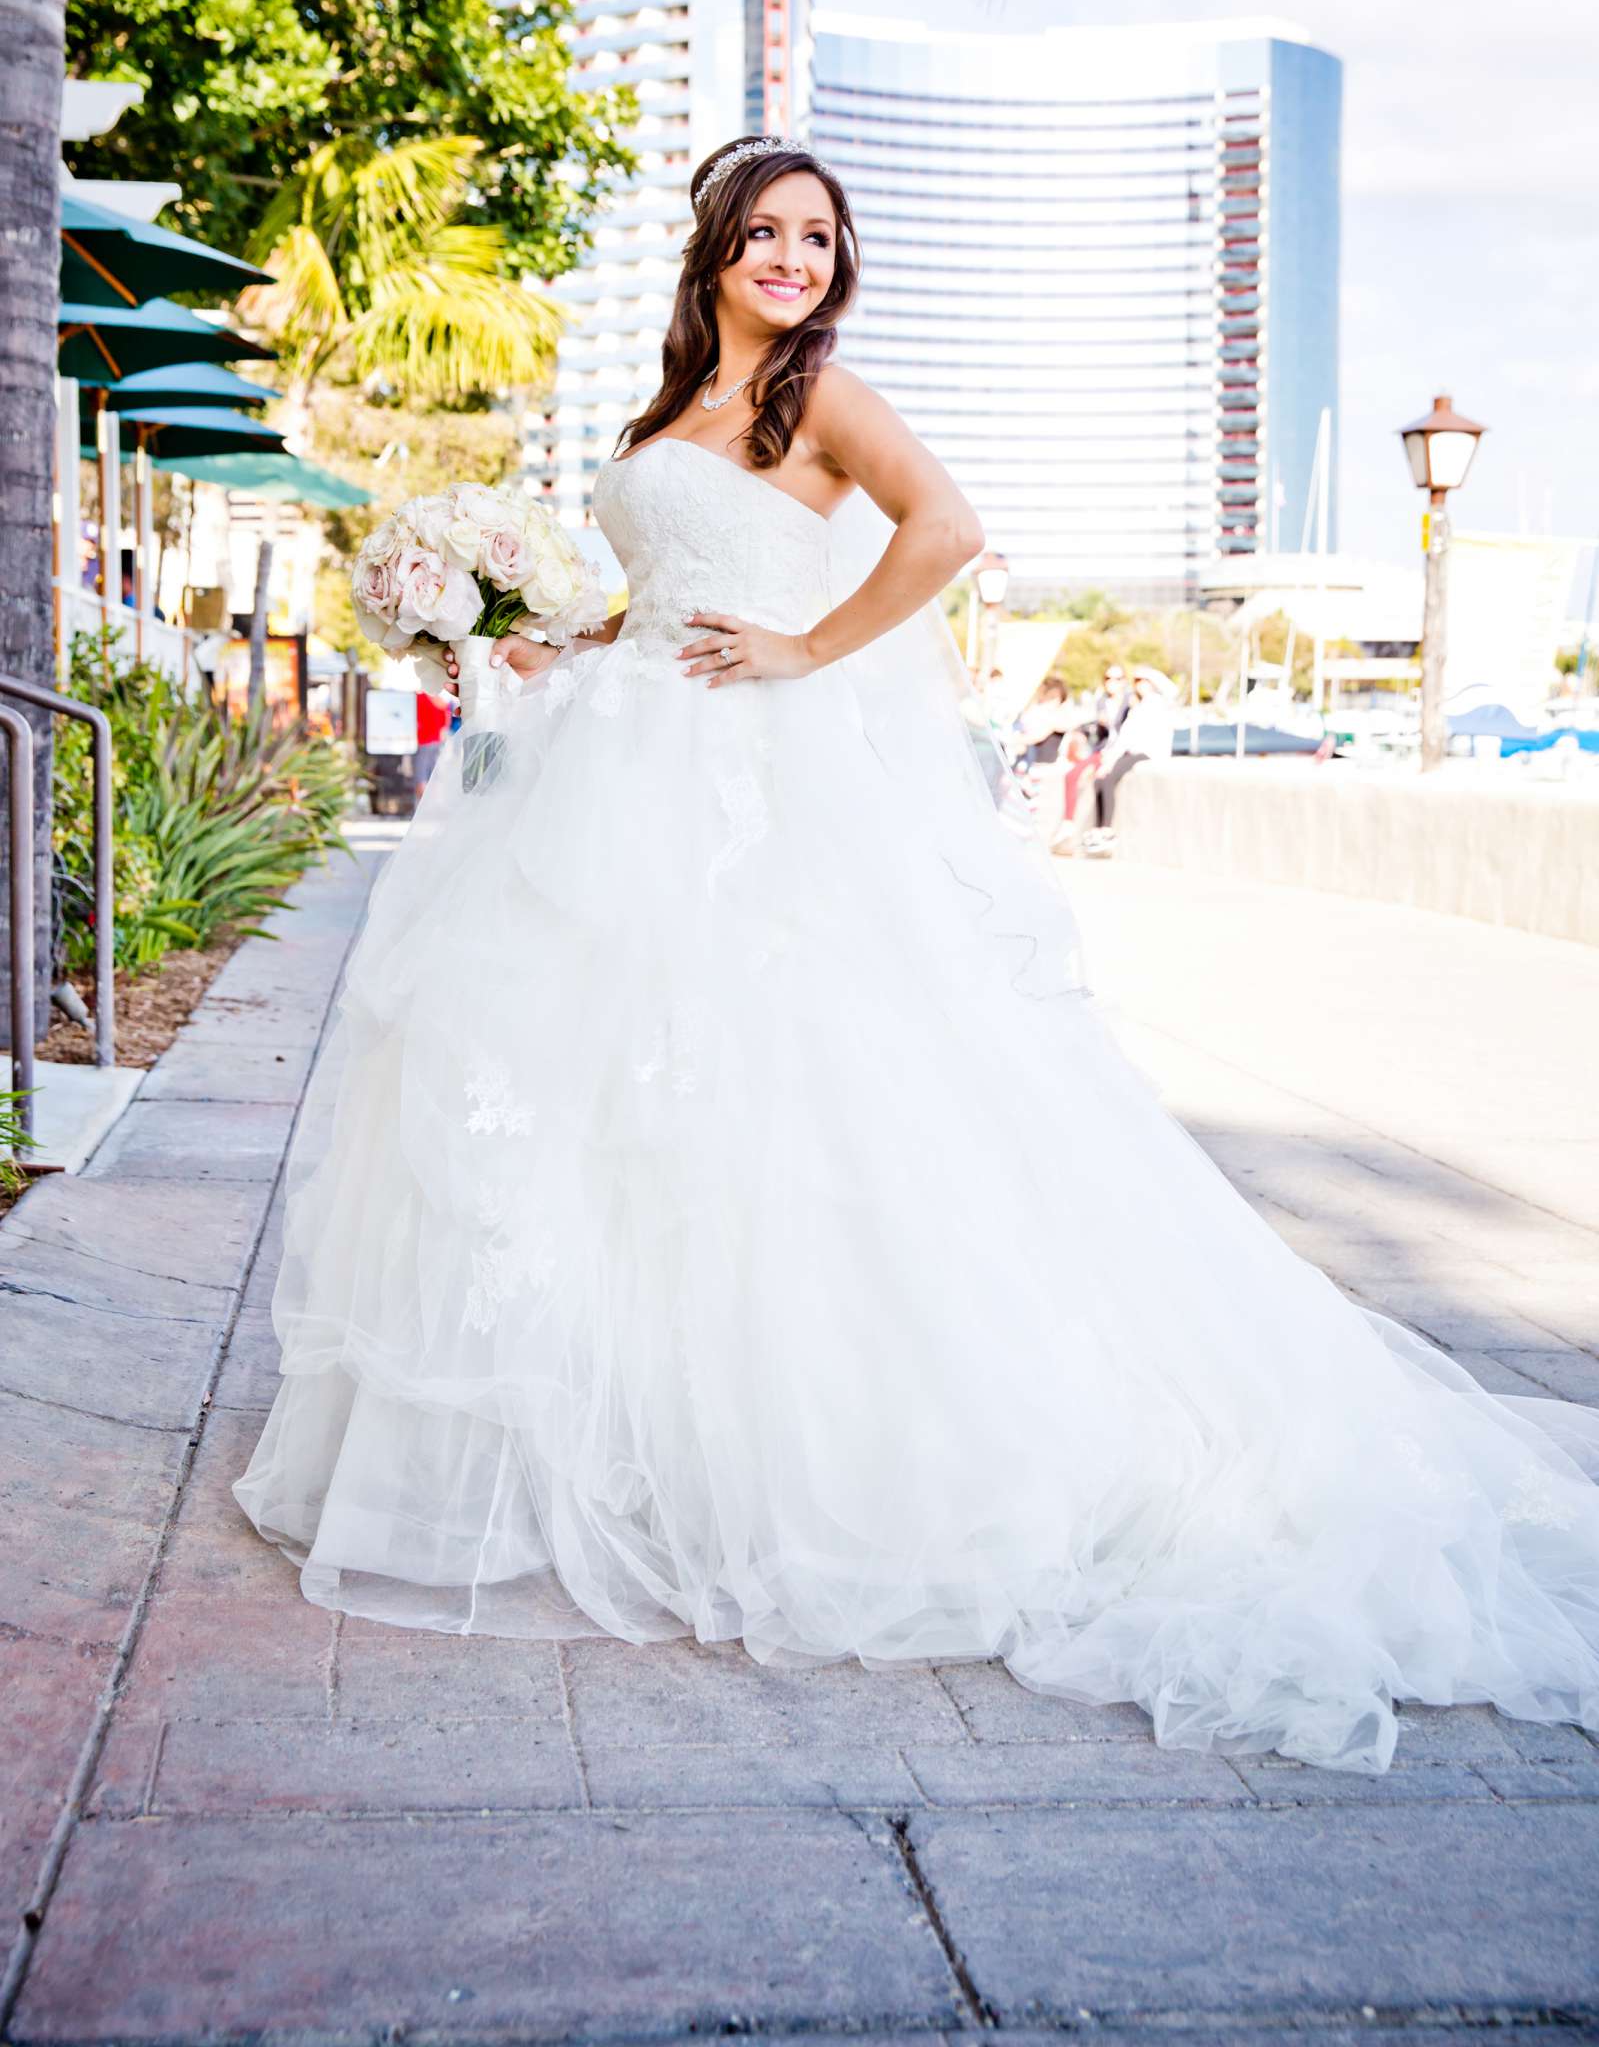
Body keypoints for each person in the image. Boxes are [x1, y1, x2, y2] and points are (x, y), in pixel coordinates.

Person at [235, 134, 1599, 1775]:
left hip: (752, 787)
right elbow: (671, 585)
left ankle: (837, 1464)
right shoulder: (671, 415)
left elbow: (944, 531)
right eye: (765, 232)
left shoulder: (821, 399)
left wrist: (807, 648)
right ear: (712, 247)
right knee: (622, 1110)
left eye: (818, 237)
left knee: (803, 1106)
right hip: (630, 763)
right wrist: (545, 627)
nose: (792, 260)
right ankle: (653, 1445)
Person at [1086, 671, 1175, 849]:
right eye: (1138, 682)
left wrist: (1148, 671)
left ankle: (1106, 830)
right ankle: (1098, 827)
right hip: (1132, 751)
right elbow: (1125, 737)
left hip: (1148, 752)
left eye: (1145, 681)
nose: (1141, 685)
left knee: (1109, 778)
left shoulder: (1157, 702)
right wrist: (1110, 759)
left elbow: (1171, 690)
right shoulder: (1138, 706)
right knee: (1101, 780)